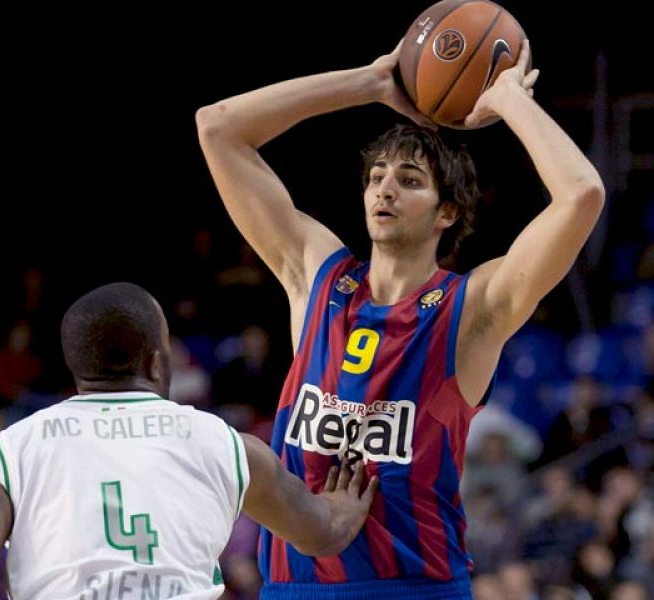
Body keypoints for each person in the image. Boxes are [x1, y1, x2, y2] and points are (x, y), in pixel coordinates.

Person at [196, 38, 604, 599]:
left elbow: (581, 194)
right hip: (294, 587)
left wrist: (509, 98)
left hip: (413, 585)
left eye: (409, 180)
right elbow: (218, 126)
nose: (385, 188)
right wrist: (369, 82)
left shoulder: (471, 309)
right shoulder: (318, 277)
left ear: (448, 212)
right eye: (377, 176)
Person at [0, 282, 378, 599]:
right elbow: (322, 533)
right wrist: (349, 501)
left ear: (78, 368)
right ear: (157, 364)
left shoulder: (8, 451)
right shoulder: (223, 442)